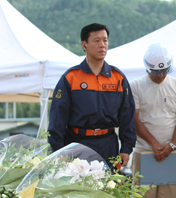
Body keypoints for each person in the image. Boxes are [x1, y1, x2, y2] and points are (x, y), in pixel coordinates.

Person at [48, 23, 135, 168]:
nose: (102, 45)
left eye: (105, 40)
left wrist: (126, 148)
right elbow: (57, 117)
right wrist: (59, 149)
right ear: (84, 45)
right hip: (77, 144)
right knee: (80, 188)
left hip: (109, 145)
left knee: (109, 188)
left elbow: (128, 115)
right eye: (97, 40)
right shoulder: (71, 77)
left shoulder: (118, 77)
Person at [131, 43, 176, 198]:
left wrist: (171, 144)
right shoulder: (135, 86)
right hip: (144, 151)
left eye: (164, 71)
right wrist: (153, 143)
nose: (160, 76)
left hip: (171, 152)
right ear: (147, 69)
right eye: (155, 72)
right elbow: (134, 119)